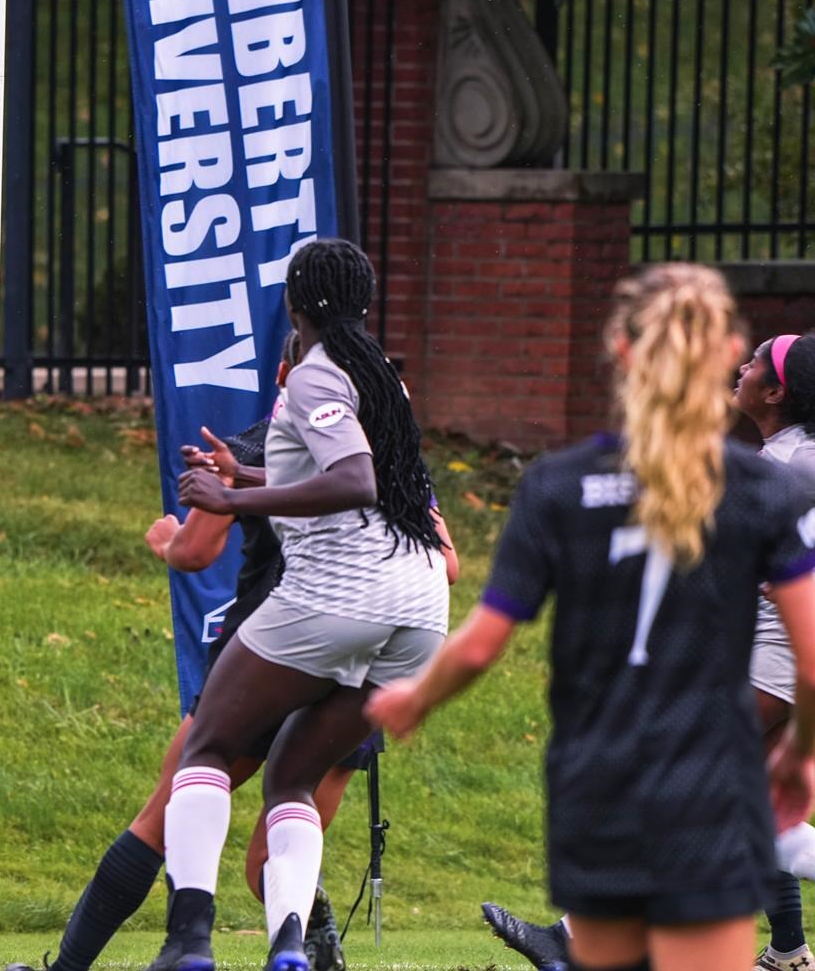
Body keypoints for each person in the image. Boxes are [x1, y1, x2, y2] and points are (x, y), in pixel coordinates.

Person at [370, 265, 815, 971]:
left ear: (620, 351)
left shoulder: (558, 484)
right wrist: (801, 751)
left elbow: (483, 646)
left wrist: (414, 698)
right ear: (728, 349)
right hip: (705, 777)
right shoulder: (761, 488)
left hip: (595, 782)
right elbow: (812, 657)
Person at [7, 331, 455, 971]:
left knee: (162, 818)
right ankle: (307, 948)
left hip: (272, 657)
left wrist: (166, 539)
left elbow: (196, 552)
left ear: (282, 373)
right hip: (370, 655)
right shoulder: (390, 463)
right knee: (271, 855)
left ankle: (97, 963)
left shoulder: (253, 442)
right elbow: (450, 564)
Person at [153, 238, 450, 971]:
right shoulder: (380, 373)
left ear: (292, 301)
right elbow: (340, 467)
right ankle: (290, 946)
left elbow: (353, 480)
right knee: (291, 779)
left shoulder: (317, 374)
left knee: (209, 747)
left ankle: (189, 940)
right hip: (420, 608)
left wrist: (229, 497)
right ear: (363, 302)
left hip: (342, 593)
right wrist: (246, 472)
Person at [482, 329, 815, 971]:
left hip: (775, 661)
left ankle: (577, 939)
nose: (741, 364)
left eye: (755, 360)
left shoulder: (785, 465)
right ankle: (788, 949)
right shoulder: (789, 455)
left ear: (775, 391)